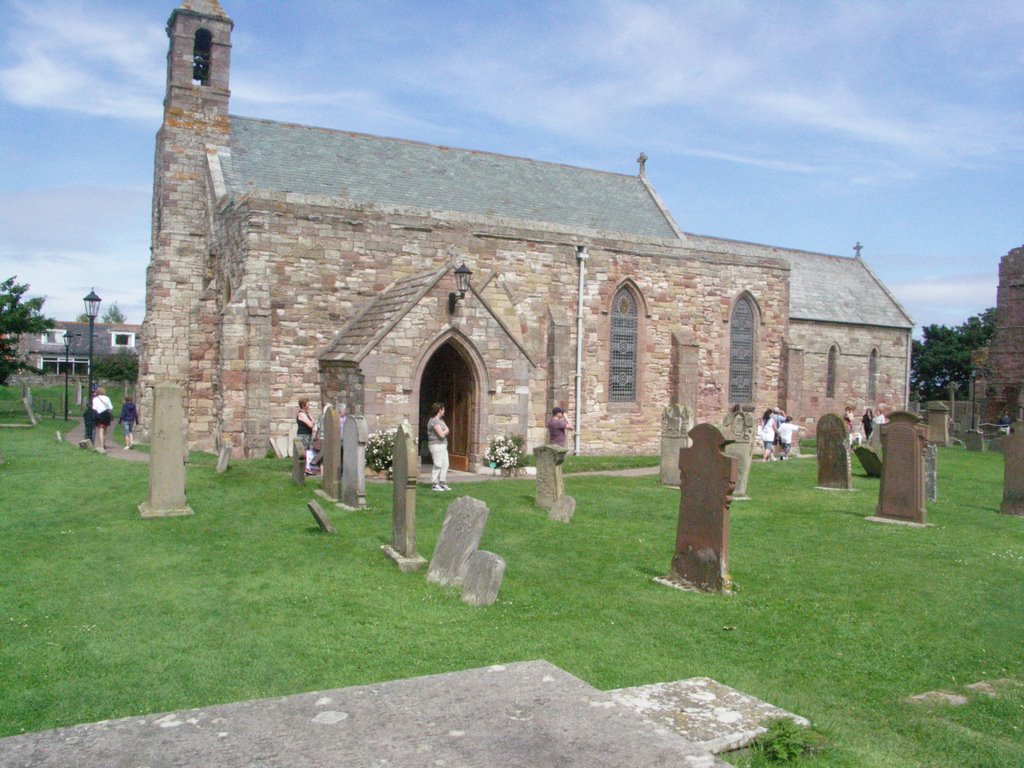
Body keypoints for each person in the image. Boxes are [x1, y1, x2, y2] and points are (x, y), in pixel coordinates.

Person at [427, 402, 450, 491]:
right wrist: (445, 431)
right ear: (439, 410)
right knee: (438, 464)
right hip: (436, 445)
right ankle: (434, 484)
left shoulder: (441, 420)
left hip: (443, 445)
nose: (444, 411)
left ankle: (442, 482)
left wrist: (445, 431)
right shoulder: (434, 421)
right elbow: (441, 435)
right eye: (443, 409)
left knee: (445, 464)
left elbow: (447, 429)